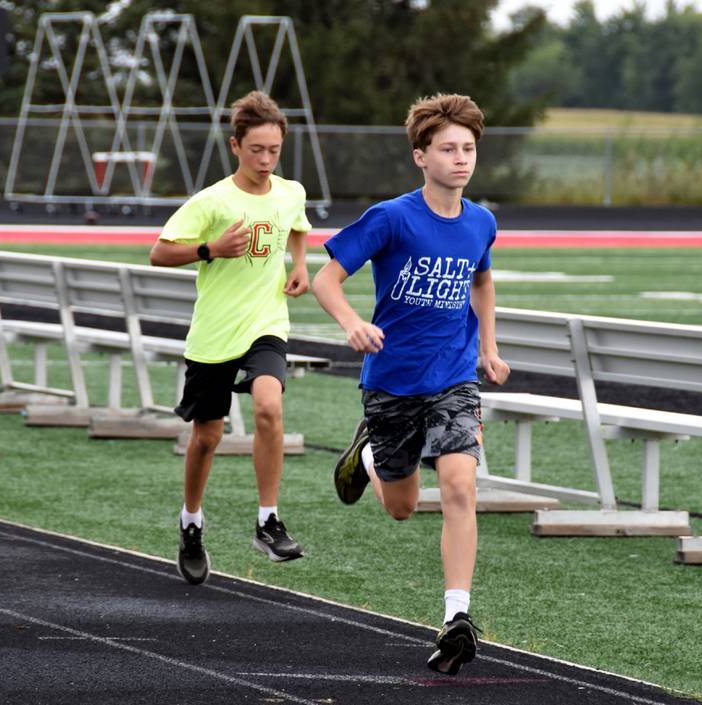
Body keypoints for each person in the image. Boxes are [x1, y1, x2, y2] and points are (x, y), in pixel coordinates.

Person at [312, 93, 510, 675]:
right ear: (420, 156)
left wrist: (488, 349)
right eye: (447, 149)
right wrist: (353, 323)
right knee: (402, 508)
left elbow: (483, 281)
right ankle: (370, 455)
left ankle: (457, 617)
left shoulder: (481, 221)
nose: (460, 159)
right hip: (392, 382)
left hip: (453, 378)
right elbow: (327, 280)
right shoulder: (391, 218)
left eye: (468, 149)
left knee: (458, 488)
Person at [150, 90, 312, 584]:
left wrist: (302, 264)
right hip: (216, 331)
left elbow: (298, 228)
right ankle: (192, 523)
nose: (266, 160)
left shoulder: (291, 192)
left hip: (267, 323)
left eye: (274, 151)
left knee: (269, 407)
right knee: (207, 437)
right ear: (235, 146)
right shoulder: (213, 200)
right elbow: (160, 253)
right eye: (257, 150)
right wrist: (210, 248)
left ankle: (267, 520)